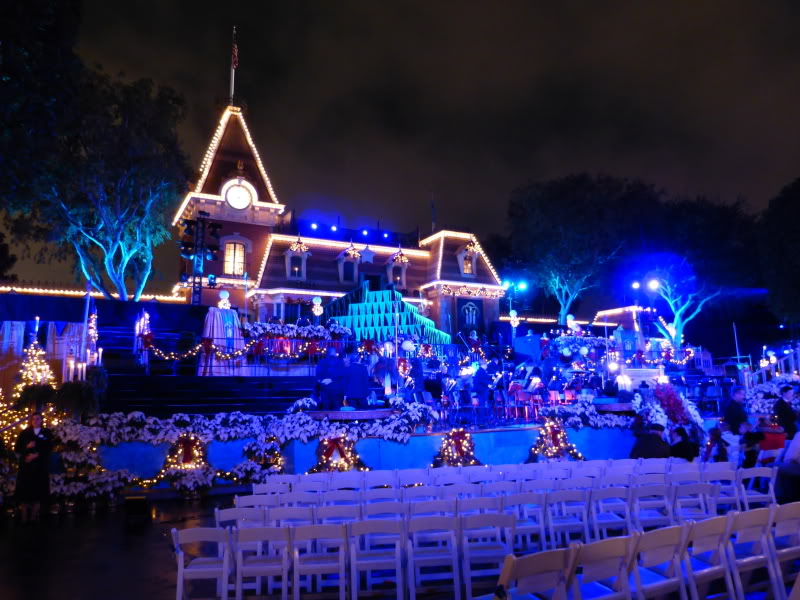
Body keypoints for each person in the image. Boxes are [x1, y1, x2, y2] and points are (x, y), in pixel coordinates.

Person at [14, 413, 53, 523]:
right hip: (26, 467)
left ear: (41, 420)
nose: (35, 420)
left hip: (40, 467)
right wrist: (27, 447)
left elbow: (49, 448)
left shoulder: (46, 433)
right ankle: (24, 517)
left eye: (38, 419)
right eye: (34, 419)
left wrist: (37, 455)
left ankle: (34, 517)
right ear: (31, 421)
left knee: (38, 490)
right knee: (25, 491)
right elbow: (17, 448)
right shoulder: (24, 433)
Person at [471, 359, 492, 426]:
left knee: (482, 406)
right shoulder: (481, 371)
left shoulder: (480, 371)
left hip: (481, 390)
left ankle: (482, 421)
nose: (487, 366)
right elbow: (483, 381)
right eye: (486, 364)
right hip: (482, 391)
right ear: (484, 364)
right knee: (482, 406)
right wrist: (489, 384)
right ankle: (481, 421)